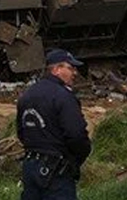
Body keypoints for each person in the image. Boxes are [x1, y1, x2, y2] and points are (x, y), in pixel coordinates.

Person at [16, 48, 91, 200]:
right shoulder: (63, 96)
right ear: (56, 69)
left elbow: (21, 132)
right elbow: (76, 135)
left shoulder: (27, 95)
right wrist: (76, 159)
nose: (75, 73)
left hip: (30, 167)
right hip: (56, 172)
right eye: (70, 68)